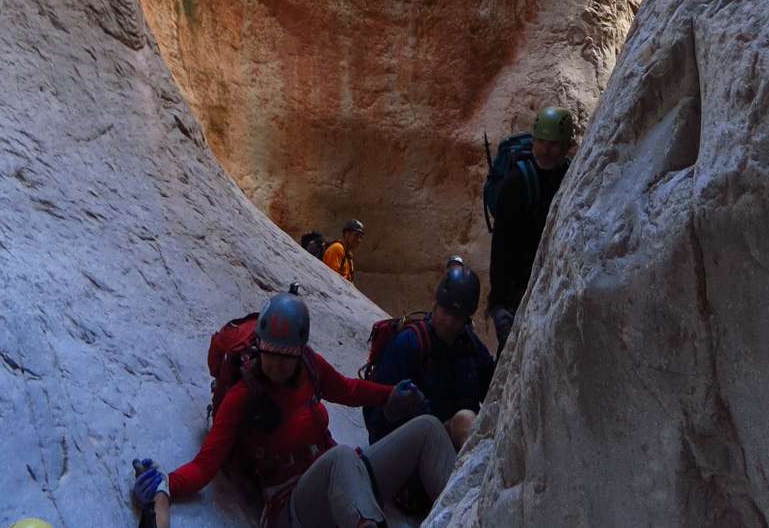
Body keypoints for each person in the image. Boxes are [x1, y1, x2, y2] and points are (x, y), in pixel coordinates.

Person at [130, 292, 452, 528]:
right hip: (292, 508)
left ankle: (467, 512)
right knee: (341, 458)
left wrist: (390, 394)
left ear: (300, 351)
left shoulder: (309, 366)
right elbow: (205, 465)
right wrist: (166, 484)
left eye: (286, 357)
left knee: (427, 428)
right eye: (269, 354)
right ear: (259, 346)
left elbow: (347, 389)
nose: (276, 365)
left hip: (345, 486)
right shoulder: (244, 396)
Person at [363, 264, 494, 452]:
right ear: (435, 305)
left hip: (443, 447)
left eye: (457, 317)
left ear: (466, 320)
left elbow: (494, 390)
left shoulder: (471, 347)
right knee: (464, 420)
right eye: (446, 311)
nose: (449, 322)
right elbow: (374, 419)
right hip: (405, 448)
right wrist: (391, 411)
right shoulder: (409, 344)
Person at [487, 105, 575, 351]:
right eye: (542, 142)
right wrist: (499, 304)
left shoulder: (569, 176)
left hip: (547, 283)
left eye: (553, 144)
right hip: (518, 289)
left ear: (566, 146)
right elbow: (501, 245)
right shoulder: (516, 182)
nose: (546, 149)